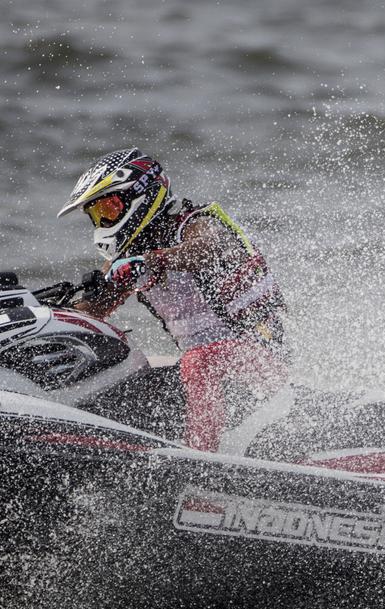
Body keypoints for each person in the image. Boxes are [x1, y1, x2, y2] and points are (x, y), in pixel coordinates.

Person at [57, 148, 288, 452]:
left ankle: (203, 463)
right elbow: (94, 309)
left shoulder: (197, 224)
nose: (103, 223)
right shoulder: (127, 256)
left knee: (199, 361)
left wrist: (148, 261)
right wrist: (51, 313)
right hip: (210, 380)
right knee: (121, 376)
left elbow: (204, 250)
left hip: (259, 363)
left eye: (109, 210)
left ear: (140, 195)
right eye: (97, 215)